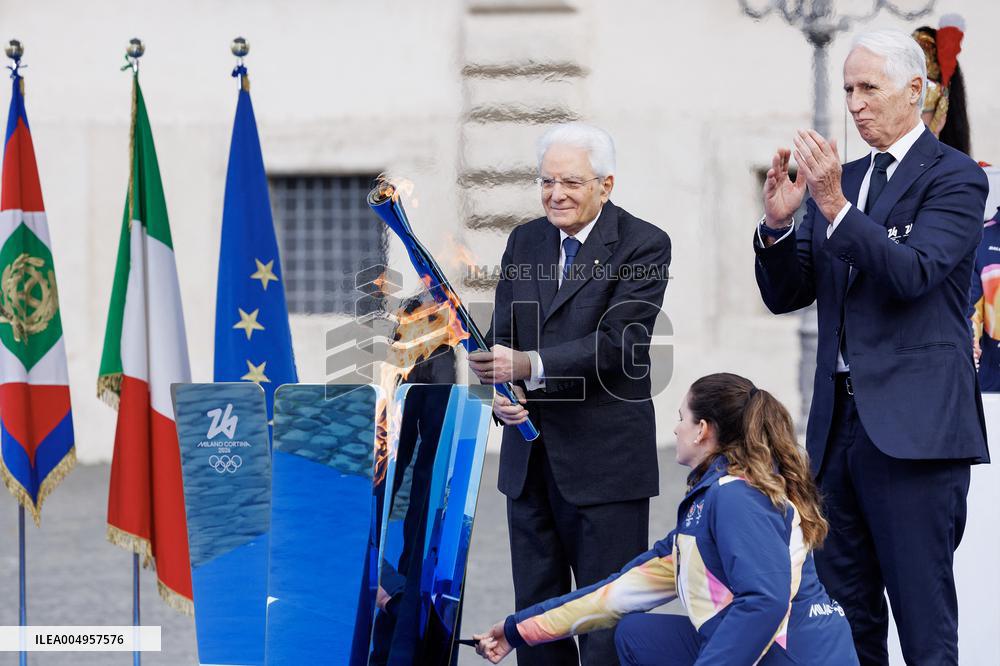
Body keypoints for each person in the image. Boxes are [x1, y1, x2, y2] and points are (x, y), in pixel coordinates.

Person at [753, 28, 989, 665]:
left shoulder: (957, 177)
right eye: (848, 88)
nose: (854, 103)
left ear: (915, 92)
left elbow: (913, 272)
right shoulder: (844, 178)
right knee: (845, 617)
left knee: (923, 620)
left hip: (914, 433)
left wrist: (832, 206)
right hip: (839, 432)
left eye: (869, 88)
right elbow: (788, 293)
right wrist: (777, 227)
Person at [472, 373, 859, 665]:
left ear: (703, 431)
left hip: (796, 653)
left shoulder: (737, 496)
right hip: (775, 645)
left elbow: (766, 602)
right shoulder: (712, 501)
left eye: (682, 418)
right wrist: (516, 630)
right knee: (636, 634)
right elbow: (616, 594)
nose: (676, 428)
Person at [468, 122, 671, 666]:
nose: (556, 194)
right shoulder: (524, 240)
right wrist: (501, 388)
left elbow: (622, 343)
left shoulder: (643, 243)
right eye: (546, 182)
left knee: (606, 622)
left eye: (571, 183)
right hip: (528, 464)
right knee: (536, 623)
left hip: (604, 466)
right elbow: (505, 334)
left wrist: (530, 365)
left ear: (606, 185)